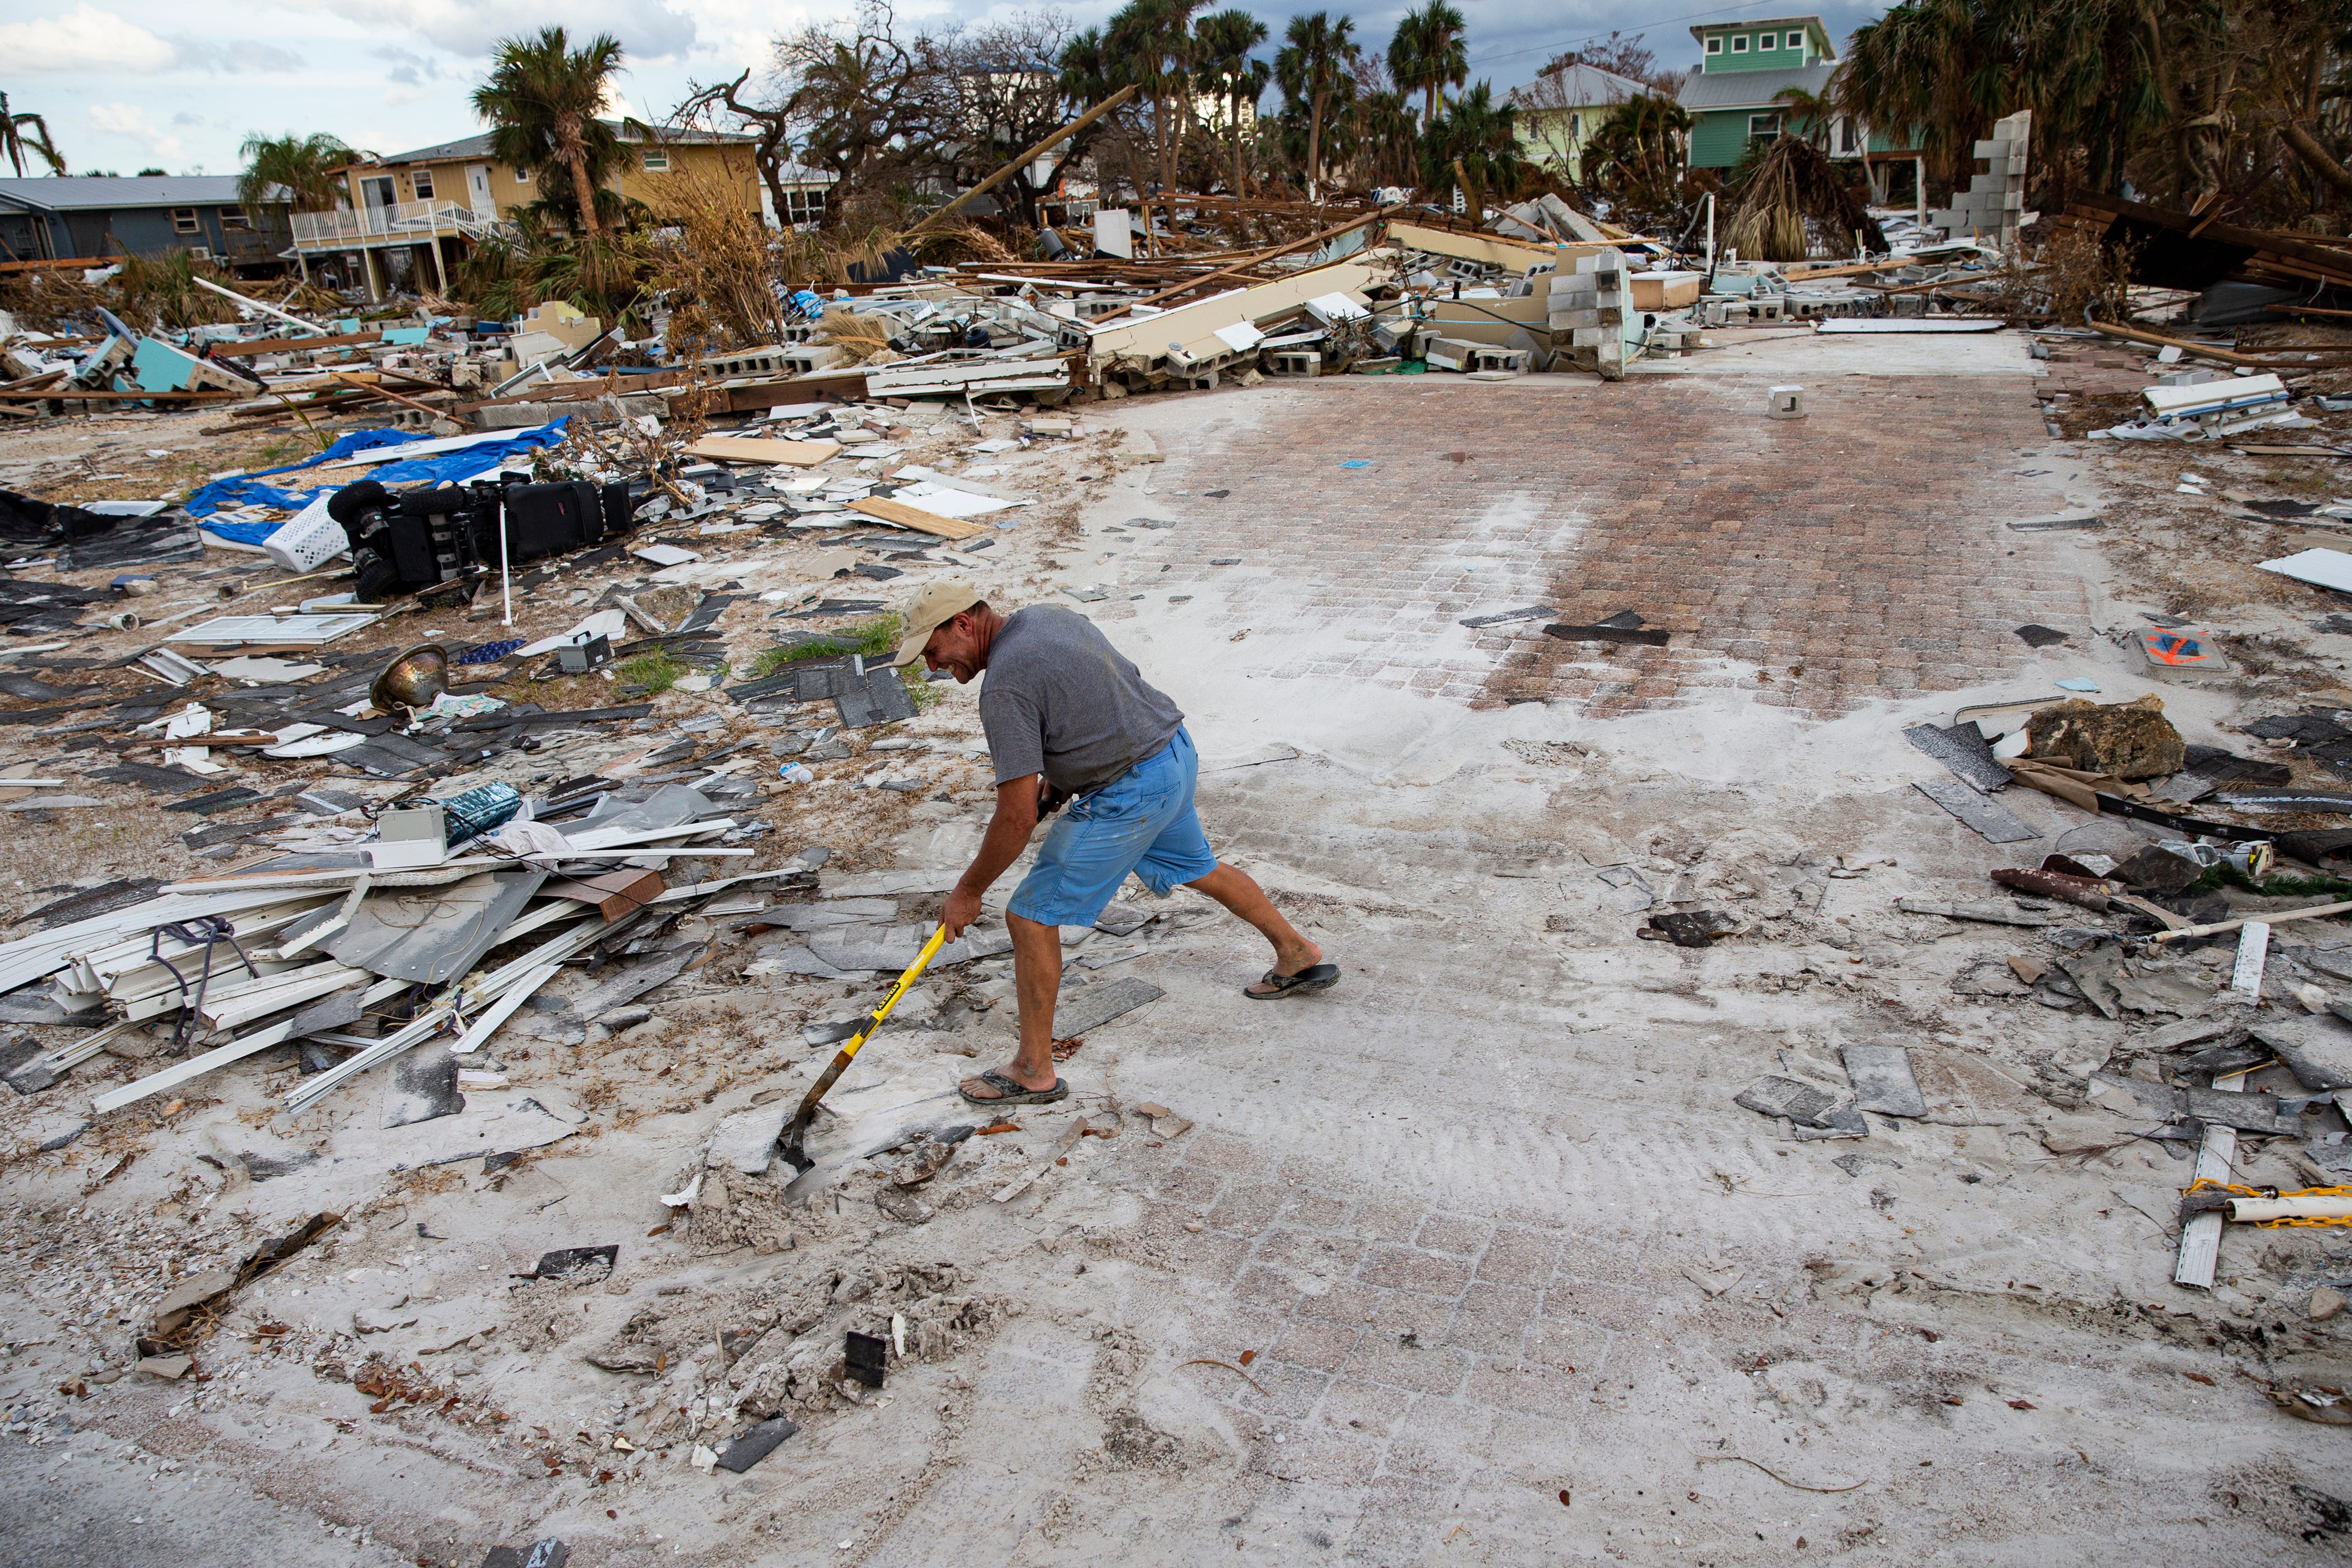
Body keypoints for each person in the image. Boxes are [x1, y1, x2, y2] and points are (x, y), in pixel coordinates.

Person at [887, 581, 1338, 1106]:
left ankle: (1033, 1068)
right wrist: (1062, 775)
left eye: (934, 651)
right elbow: (1114, 684)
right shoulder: (1046, 618)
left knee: (1030, 917)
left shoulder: (1004, 689)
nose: (934, 667)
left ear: (964, 624)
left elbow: (1014, 818)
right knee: (1196, 865)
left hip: (1131, 789)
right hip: (1171, 754)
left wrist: (968, 890)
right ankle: (1297, 952)